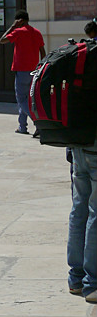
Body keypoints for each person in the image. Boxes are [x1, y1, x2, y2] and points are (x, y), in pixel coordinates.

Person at [0, 10, 46, 134]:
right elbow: (42, 51)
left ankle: (38, 123)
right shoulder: (36, 32)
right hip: (35, 71)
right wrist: (41, 67)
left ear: (19, 21)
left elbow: (2, 40)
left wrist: (13, 26)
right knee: (29, 99)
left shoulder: (18, 32)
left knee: (21, 100)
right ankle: (22, 126)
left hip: (22, 71)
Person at [67, 123, 97, 304]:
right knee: (94, 212)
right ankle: (92, 282)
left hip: (77, 142)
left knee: (79, 209)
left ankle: (76, 277)